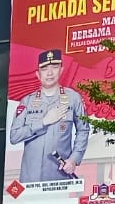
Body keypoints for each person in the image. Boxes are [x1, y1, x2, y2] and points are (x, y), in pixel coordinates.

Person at [9, 49, 90, 182]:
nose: (50, 73)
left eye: (55, 67)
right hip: (30, 178)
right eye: (45, 68)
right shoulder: (27, 101)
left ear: (61, 69)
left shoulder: (73, 98)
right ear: (38, 74)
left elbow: (83, 130)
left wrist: (74, 159)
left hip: (59, 176)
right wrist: (43, 122)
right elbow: (14, 136)